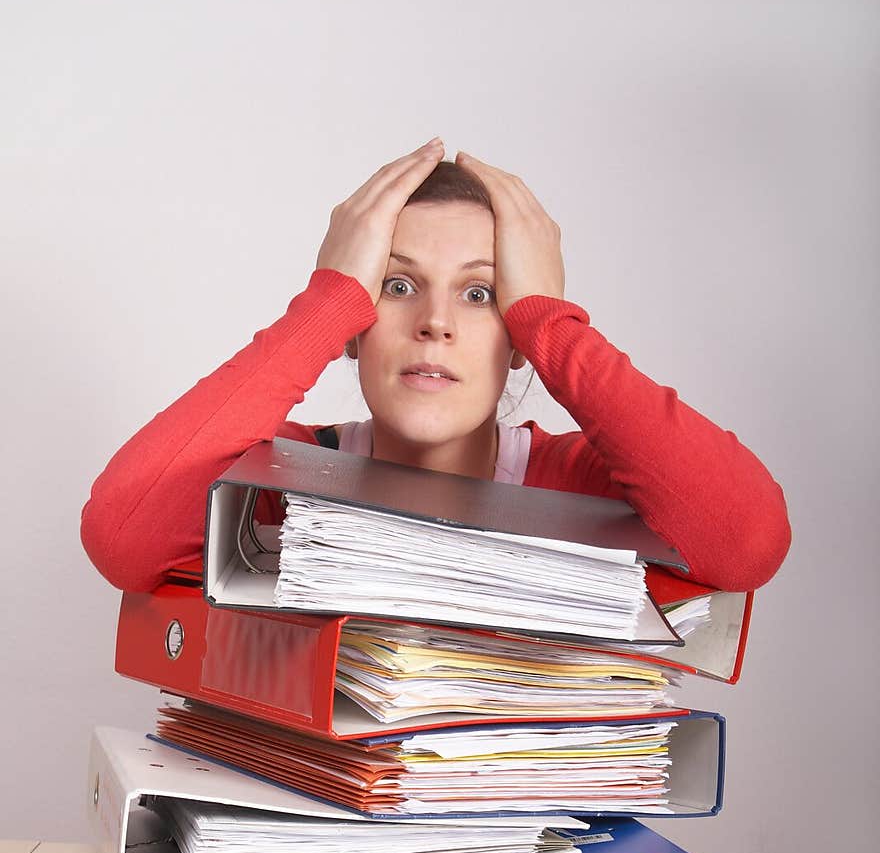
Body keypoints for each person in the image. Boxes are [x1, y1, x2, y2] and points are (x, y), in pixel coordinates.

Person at [80, 138, 791, 594]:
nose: (435, 322)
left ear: (517, 338)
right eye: (396, 286)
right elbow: (123, 539)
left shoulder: (577, 483)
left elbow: (746, 544)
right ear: (358, 324)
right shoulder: (282, 475)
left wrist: (554, 325)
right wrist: (324, 307)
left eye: (480, 294)